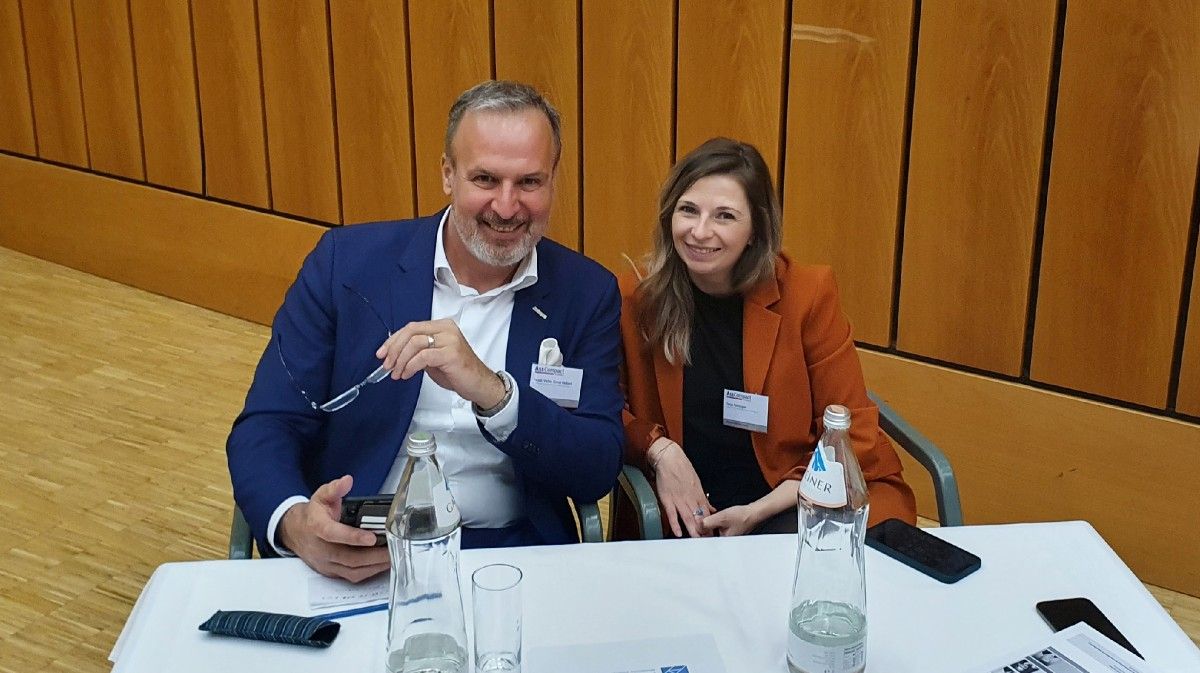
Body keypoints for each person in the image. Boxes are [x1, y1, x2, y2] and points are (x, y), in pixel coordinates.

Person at [227, 81, 624, 581]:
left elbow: (595, 467)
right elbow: (267, 424)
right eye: (485, 179)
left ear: (553, 180)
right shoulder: (345, 266)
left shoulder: (586, 292)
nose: (506, 207)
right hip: (366, 548)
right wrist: (294, 523)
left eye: (529, 182)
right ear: (447, 174)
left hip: (510, 553)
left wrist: (495, 395)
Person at [619, 137, 916, 538]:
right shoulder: (636, 299)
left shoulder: (807, 295)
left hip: (797, 500)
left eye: (725, 216)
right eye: (688, 210)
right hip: (687, 512)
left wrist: (758, 511)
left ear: (755, 230)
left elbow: (853, 432)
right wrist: (661, 450)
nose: (699, 232)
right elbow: (604, 409)